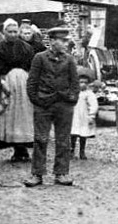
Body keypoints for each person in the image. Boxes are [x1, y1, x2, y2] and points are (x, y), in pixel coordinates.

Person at [24, 26, 80, 187]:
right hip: (44, 105)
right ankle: (37, 174)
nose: (64, 44)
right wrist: (37, 100)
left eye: (65, 41)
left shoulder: (69, 59)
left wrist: (71, 99)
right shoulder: (39, 58)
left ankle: (61, 173)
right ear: (53, 41)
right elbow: (32, 82)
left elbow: (75, 83)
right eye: (62, 41)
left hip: (63, 105)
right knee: (40, 139)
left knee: (63, 140)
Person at [0, 18, 35, 162]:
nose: (13, 34)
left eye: (15, 32)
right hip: (6, 84)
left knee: (23, 116)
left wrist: (32, 83)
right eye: (10, 32)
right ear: (4, 32)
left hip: (23, 85)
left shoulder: (27, 48)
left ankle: (24, 147)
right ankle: (16, 148)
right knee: (9, 116)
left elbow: (33, 67)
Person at [71, 68, 99, 160]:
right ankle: (71, 150)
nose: (82, 84)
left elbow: (93, 104)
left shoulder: (89, 94)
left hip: (84, 116)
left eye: (85, 82)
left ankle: (82, 151)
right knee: (73, 133)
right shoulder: (74, 92)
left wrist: (92, 115)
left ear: (88, 84)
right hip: (74, 115)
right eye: (81, 82)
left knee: (84, 134)